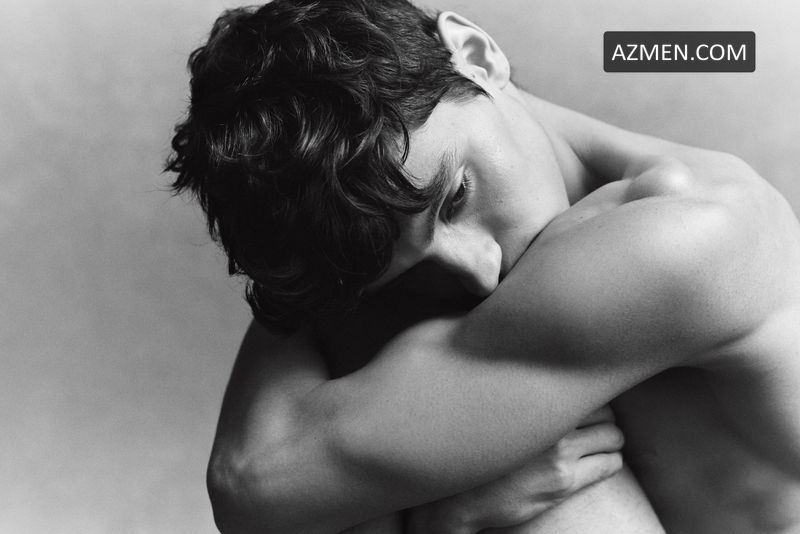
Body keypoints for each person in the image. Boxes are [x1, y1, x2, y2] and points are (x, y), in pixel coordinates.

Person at [166, 1, 800, 532]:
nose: (480, 272)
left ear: (475, 53)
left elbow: (252, 483)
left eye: (456, 197)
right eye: (406, 267)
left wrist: (435, 521)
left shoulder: (680, 237)